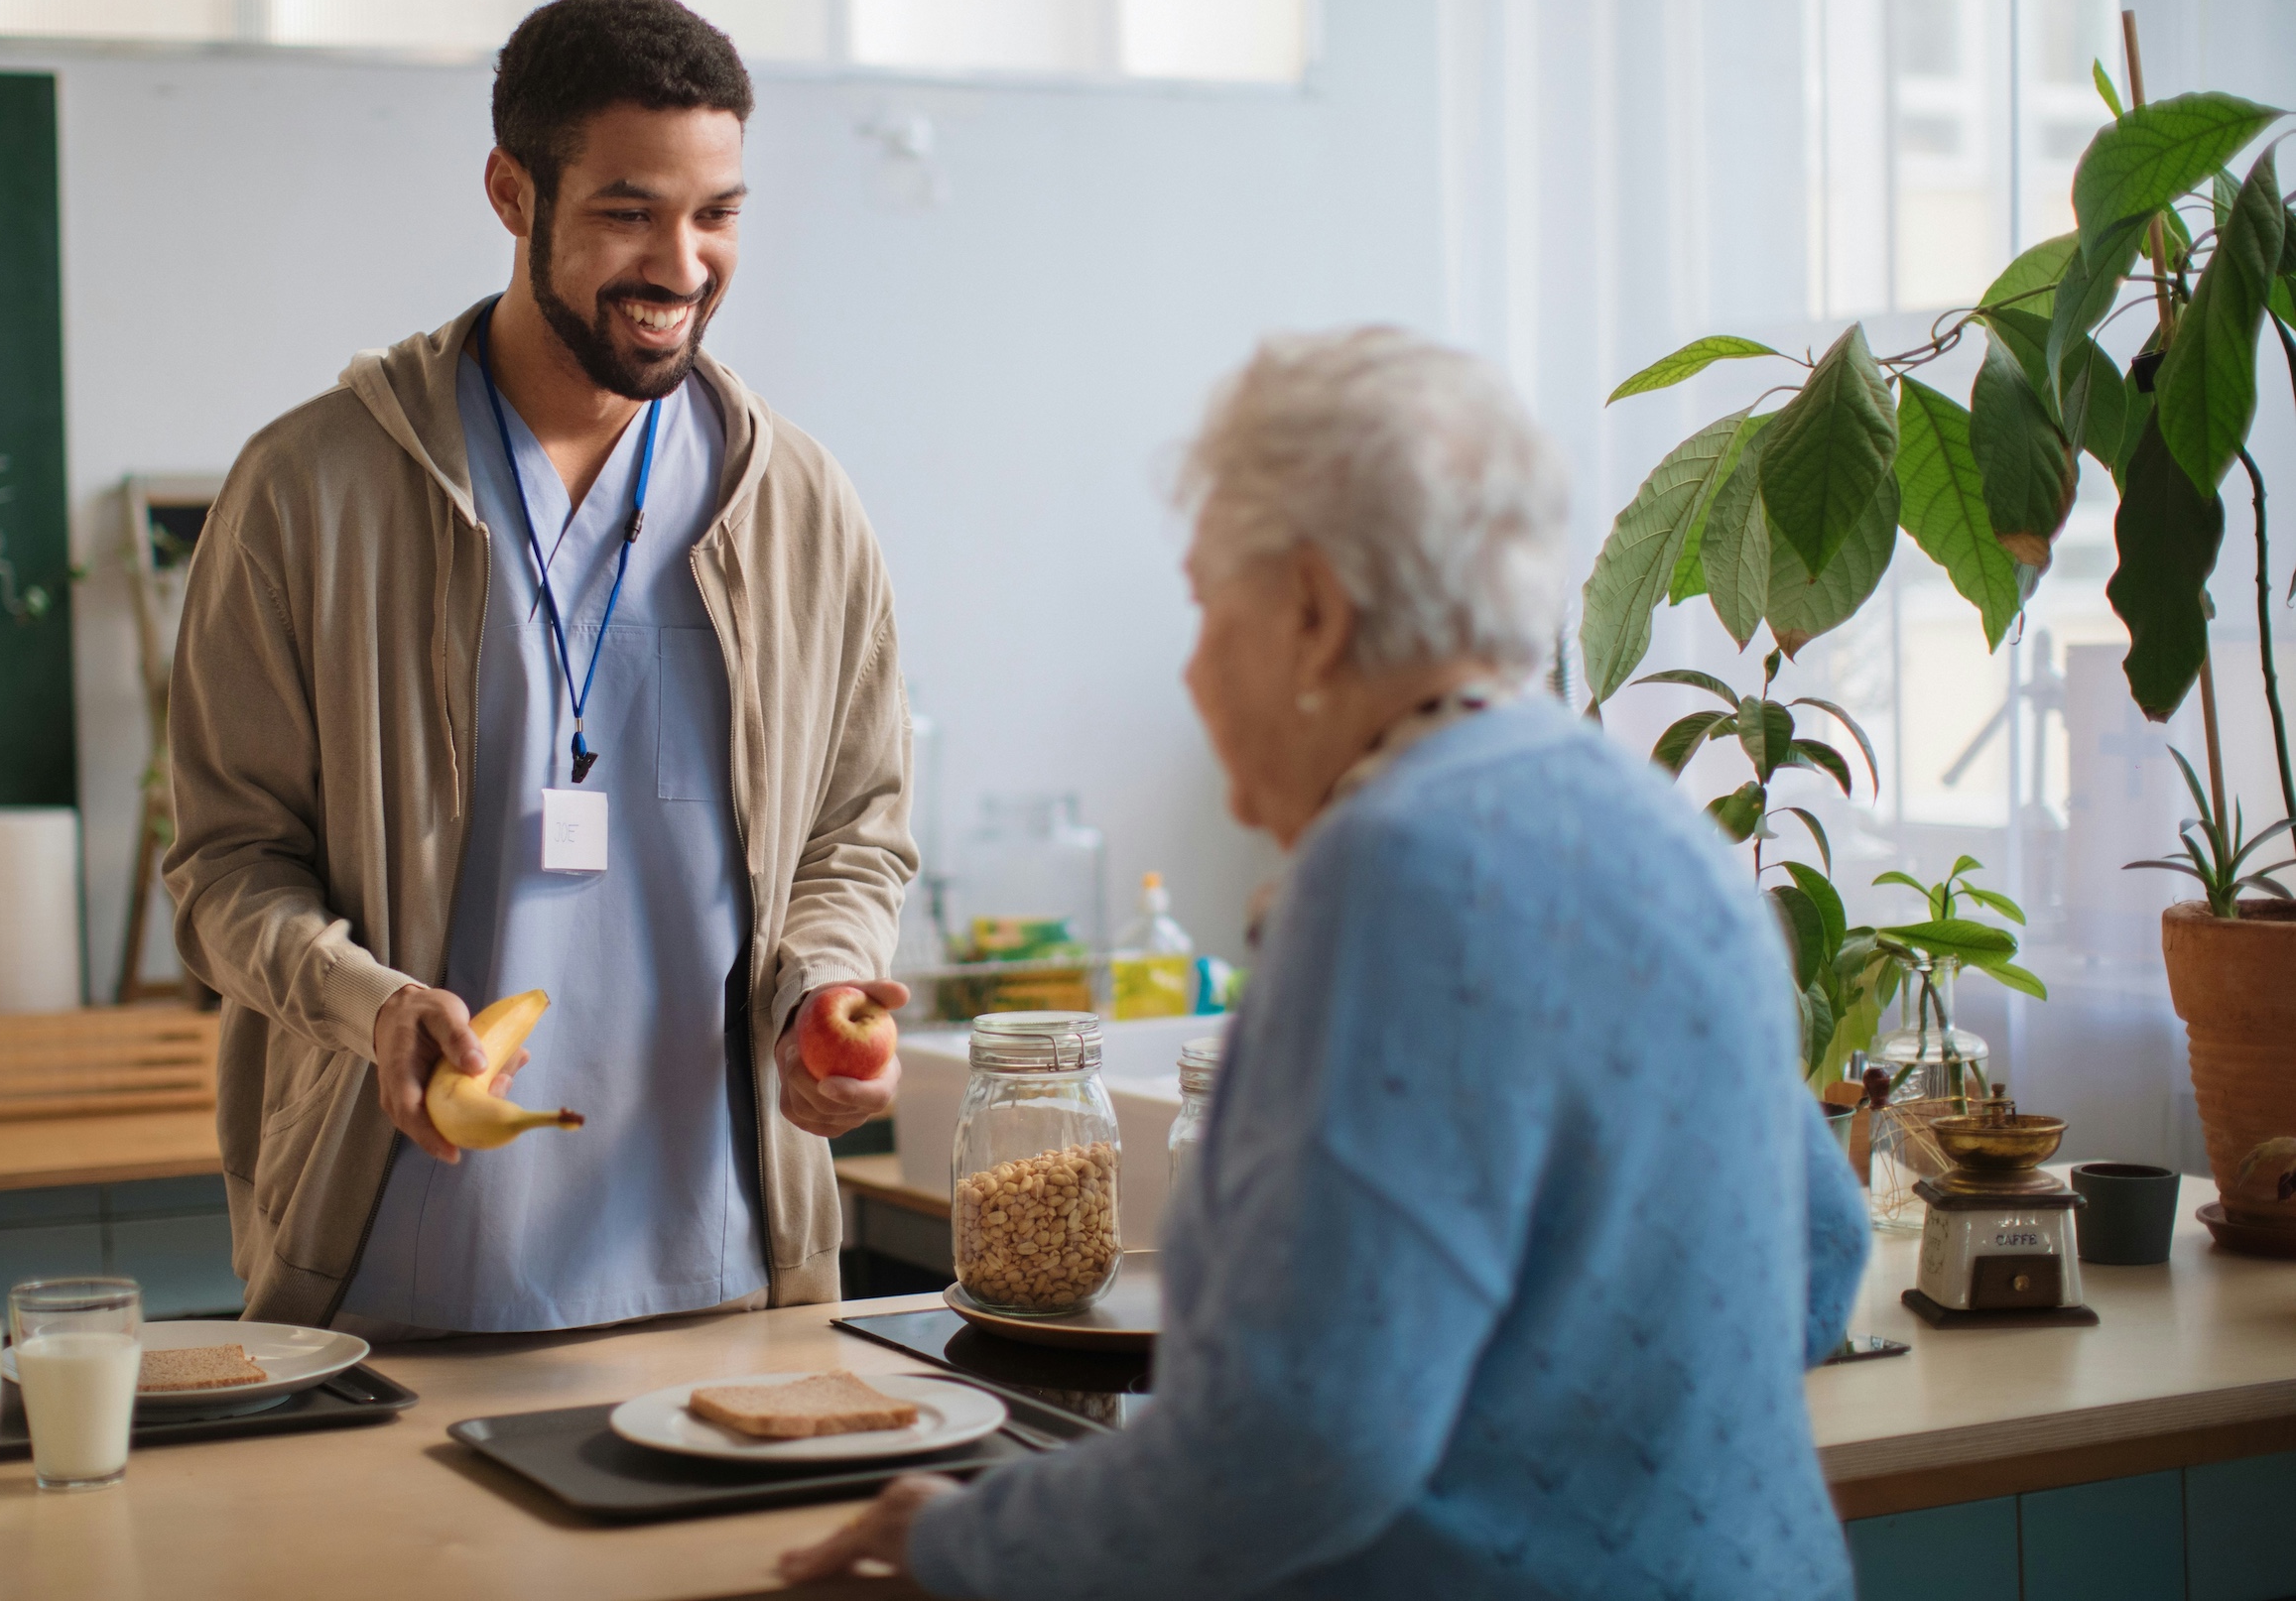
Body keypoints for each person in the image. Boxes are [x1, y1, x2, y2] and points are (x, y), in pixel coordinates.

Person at [783, 329, 1867, 1598]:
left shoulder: (1395, 869)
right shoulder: (1659, 832)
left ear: (1312, 609)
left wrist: (967, 1539)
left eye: (1204, 605)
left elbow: (1295, 1447)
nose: (1189, 668)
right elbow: (1823, 1251)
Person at [164, 0, 916, 1336]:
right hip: (397, 1276)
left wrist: (821, 980)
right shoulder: (305, 491)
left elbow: (856, 828)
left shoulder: (796, 503)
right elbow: (223, 867)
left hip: (729, 1268)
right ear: (513, 194)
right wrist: (367, 1004)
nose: (681, 264)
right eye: (629, 211)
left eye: (716, 213)